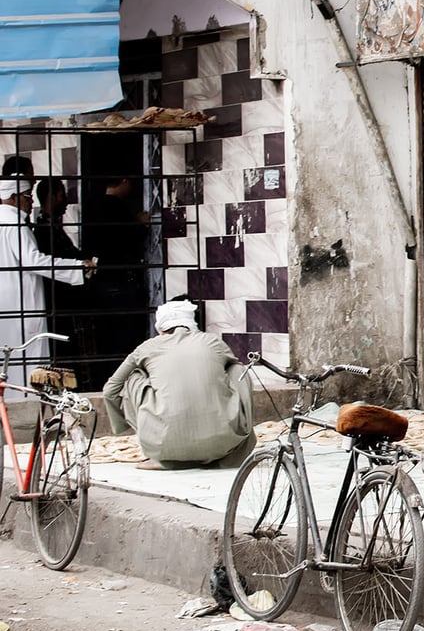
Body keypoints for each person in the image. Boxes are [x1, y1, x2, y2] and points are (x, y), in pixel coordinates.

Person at [103, 299, 256, 470]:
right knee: (237, 370)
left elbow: (110, 389)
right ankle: (220, 447)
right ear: (192, 324)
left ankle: (159, 446)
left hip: (162, 444)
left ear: (160, 328)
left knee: (133, 377)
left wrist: (121, 426)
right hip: (223, 444)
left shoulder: (147, 347)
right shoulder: (213, 342)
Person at [0, 177, 93, 386]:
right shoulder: (14, 225)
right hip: (23, 305)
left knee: (9, 364)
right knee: (29, 366)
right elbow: (34, 261)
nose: (31, 202)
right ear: (14, 198)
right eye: (27, 197)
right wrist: (77, 268)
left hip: (6, 308)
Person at [82, 176, 150, 387]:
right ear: (124, 181)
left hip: (101, 281)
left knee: (106, 336)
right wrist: (141, 224)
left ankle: (106, 381)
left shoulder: (91, 207)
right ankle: (125, 382)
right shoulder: (118, 208)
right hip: (120, 281)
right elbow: (128, 240)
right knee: (125, 336)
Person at [33, 178, 84, 354]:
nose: (66, 201)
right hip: (57, 302)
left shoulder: (51, 228)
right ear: (52, 197)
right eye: (62, 195)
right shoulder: (43, 231)